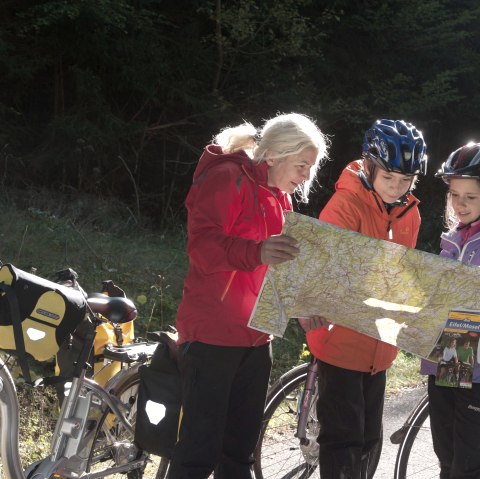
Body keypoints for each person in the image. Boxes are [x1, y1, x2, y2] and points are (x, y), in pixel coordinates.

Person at [167, 113, 329, 479]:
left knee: (240, 454)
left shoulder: (280, 201)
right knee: (198, 453)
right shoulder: (227, 177)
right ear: (273, 155)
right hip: (211, 337)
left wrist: (301, 309)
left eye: (310, 168)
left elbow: (278, 272)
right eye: (302, 165)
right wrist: (256, 252)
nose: (306, 176)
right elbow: (203, 247)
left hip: (256, 339)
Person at [305, 119, 427, 478]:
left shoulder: (411, 214)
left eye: (405, 181)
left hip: (381, 344)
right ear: (369, 167)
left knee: (369, 441)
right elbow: (326, 267)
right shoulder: (346, 204)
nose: (396, 188)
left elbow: (404, 273)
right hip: (340, 340)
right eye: (388, 178)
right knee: (343, 441)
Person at [421, 142, 480, 478]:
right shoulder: (453, 238)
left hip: (478, 361)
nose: (460, 204)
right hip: (454, 349)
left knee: (468, 464)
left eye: (470, 197)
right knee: (447, 455)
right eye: (455, 195)